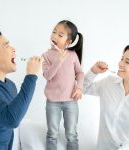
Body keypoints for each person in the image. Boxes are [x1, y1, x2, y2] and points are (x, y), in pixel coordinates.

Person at [0, 27, 43, 150]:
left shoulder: (11, 86)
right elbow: (11, 120)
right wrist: (31, 76)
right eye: (7, 46)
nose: (14, 49)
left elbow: (9, 129)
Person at [83, 45, 129, 150]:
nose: (120, 63)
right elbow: (83, 89)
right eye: (122, 59)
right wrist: (93, 71)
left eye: (127, 62)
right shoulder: (109, 83)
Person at [42, 20, 84, 150]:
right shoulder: (46, 55)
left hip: (71, 101)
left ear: (68, 42)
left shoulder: (72, 55)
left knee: (71, 134)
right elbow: (48, 76)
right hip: (52, 102)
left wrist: (79, 87)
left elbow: (80, 73)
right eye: (54, 32)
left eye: (60, 35)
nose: (54, 36)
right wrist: (59, 60)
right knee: (52, 134)